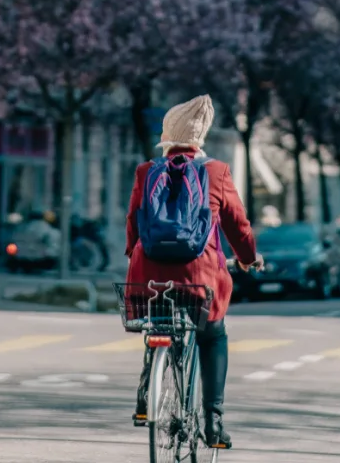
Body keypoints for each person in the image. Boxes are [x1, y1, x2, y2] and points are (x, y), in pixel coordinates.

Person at [124, 96, 260, 450]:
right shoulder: (217, 172)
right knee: (212, 334)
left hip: (147, 275)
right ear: (201, 138)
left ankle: (145, 395)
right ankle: (213, 422)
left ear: (167, 135)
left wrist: (133, 258)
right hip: (200, 276)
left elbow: (133, 223)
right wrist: (248, 258)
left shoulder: (145, 171)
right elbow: (238, 225)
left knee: (157, 324)